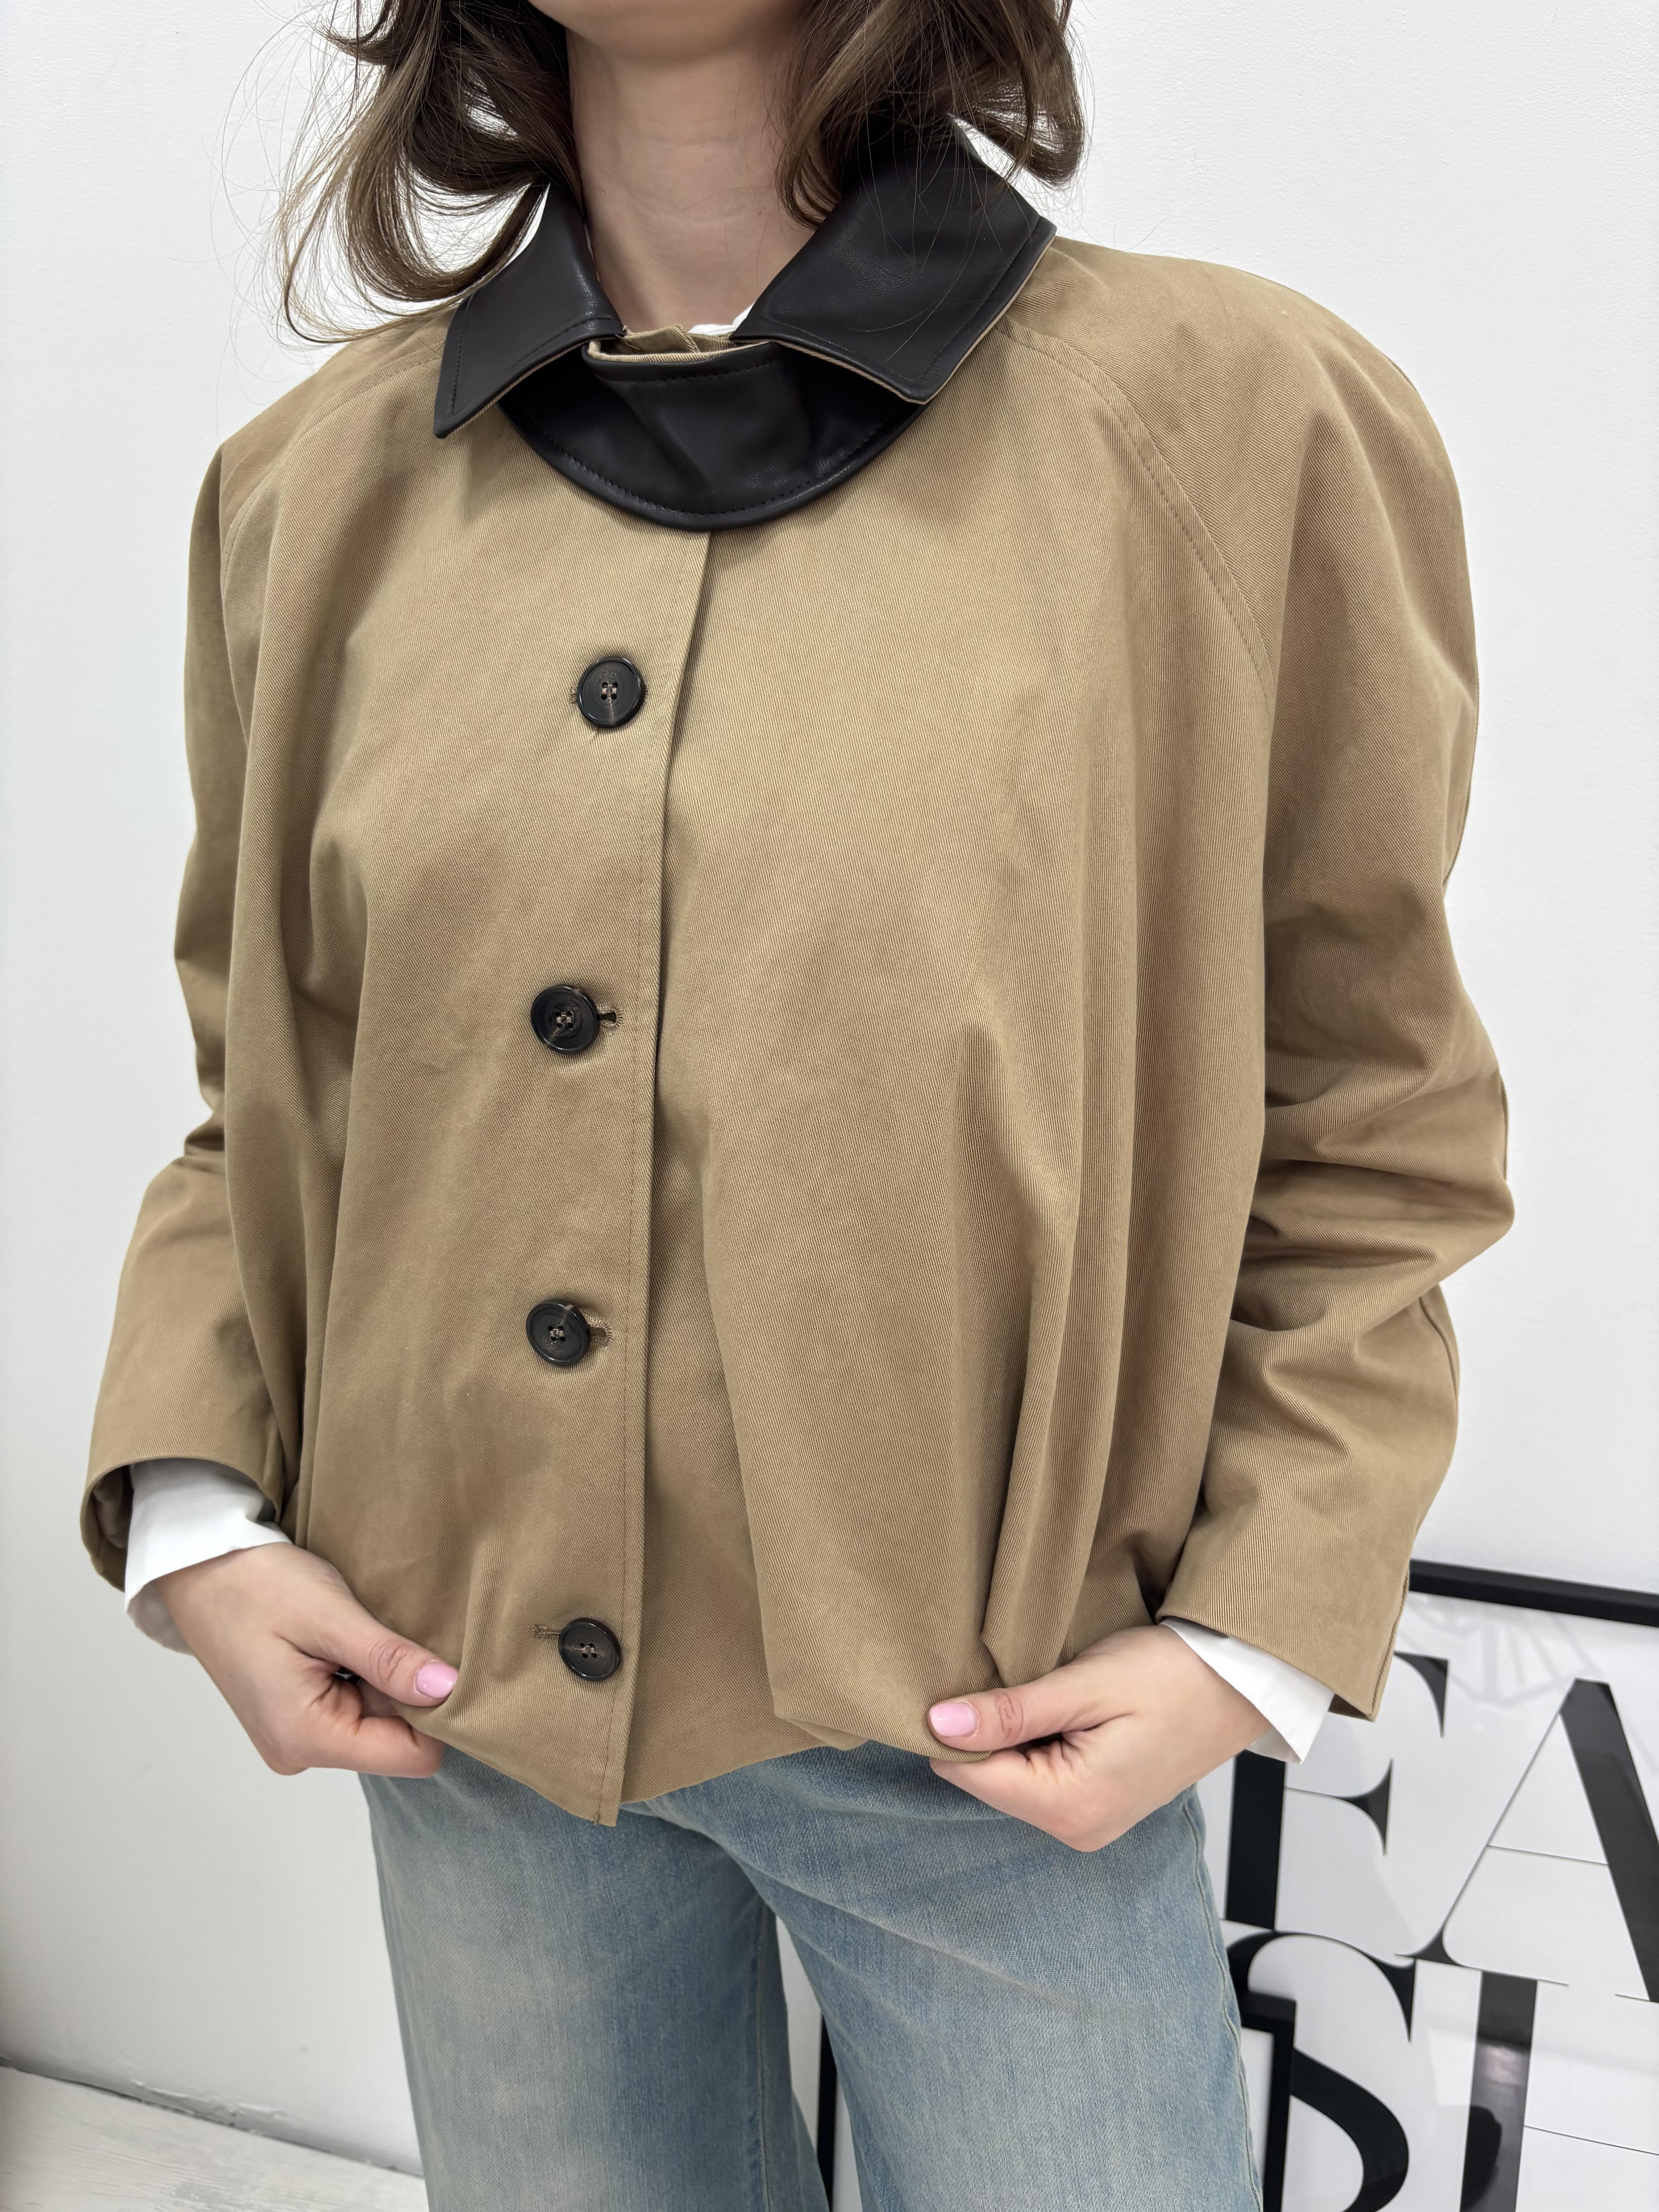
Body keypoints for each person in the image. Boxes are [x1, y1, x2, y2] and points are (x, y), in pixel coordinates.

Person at [79, 2, 1512, 2205]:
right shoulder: (310, 493)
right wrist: (196, 1515)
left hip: (1000, 1741)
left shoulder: (1232, 426)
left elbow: (1369, 1112)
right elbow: (264, 1097)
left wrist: (1255, 1625)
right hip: (465, 1711)